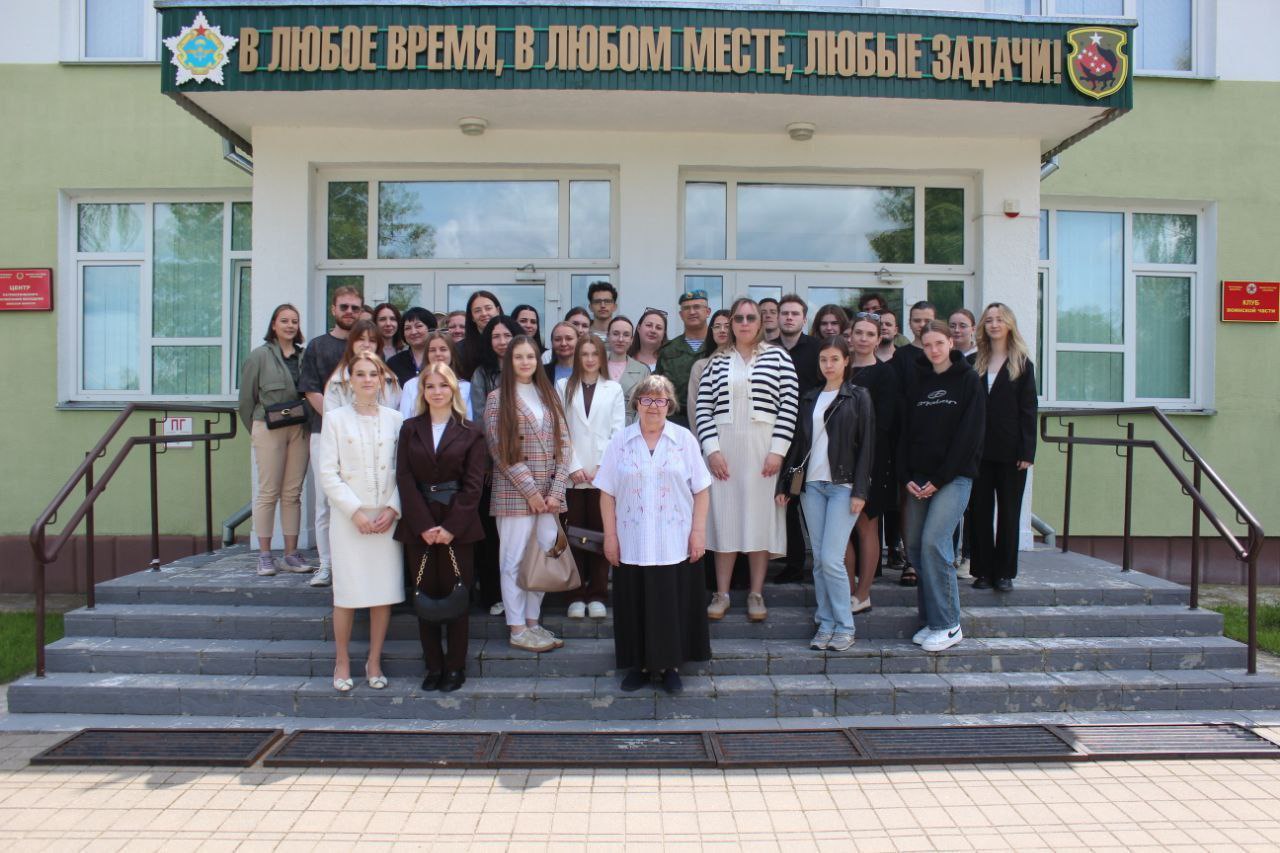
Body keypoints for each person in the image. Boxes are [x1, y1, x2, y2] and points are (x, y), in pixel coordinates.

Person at [597, 374, 712, 695]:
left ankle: (671, 667)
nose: (653, 406)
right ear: (636, 404)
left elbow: (702, 489)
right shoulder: (620, 441)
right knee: (635, 604)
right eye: (646, 399)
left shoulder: (684, 439)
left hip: (674, 540)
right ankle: (639, 667)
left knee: (670, 605)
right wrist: (610, 536)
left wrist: (698, 532)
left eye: (660, 400)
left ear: (669, 405)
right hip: (631, 540)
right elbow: (606, 492)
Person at [697, 298, 799, 623]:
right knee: (724, 520)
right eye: (738, 318)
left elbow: (789, 405)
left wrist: (778, 450)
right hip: (724, 451)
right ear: (731, 323)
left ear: (760, 322)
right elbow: (703, 408)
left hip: (763, 450)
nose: (744, 323)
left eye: (750, 317)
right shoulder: (716, 361)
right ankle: (722, 593)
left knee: (759, 521)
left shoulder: (778, 357)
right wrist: (711, 450)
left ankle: (756, 593)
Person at [776, 336, 873, 652]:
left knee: (832, 558)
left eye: (834, 359)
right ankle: (826, 622)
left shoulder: (858, 396)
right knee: (819, 559)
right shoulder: (809, 397)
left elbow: (867, 446)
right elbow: (798, 444)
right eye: (823, 359)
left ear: (846, 361)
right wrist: (785, 486)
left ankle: (845, 626)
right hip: (812, 487)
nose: (828, 365)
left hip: (843, 486)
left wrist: (860, 490)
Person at [395, 362, 487, 694]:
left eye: (443, 385)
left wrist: (450, 527)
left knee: (456, 596)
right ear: (422, 391)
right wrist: (422, 524)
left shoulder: (471, 431)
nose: (436, 392)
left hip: (457, 523)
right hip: (418, 523)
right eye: (430, 386)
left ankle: (455, 666)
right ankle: (433, 665)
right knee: (425, 596)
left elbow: (474, 485)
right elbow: (404, 478)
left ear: (453, 390)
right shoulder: (410, 429)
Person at [316, 351, 405, 691]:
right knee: (347, 594)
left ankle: (374, 660)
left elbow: (404, 470)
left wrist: (393, 509)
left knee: (382, 592)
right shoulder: (335, 419)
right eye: (361, 374)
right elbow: (328, 472)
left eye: (374, 374)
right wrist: (354, 511)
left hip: (385, 518)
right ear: (350, 381)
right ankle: (341, 660)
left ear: (382, 380)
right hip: (349, 519)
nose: (368, 380)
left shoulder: (396, 419)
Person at [899, 320, 984, 653]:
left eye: (939, 343)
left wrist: (939, 479)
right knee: (916, 547)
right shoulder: (917, 380)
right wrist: (906, 474)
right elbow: (905, 431)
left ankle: (949, 625)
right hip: (918, 478)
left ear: (951, 342)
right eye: (927, 344)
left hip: (953, 477)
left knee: (935, 543)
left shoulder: (968, 380)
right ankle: (931, 621)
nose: (933, 350)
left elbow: (969, 436)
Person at [484, 336, 573, 653]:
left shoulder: (548, 395)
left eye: (530, 357)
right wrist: (532, 494)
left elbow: (565, 445)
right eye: (518, 357)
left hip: (550, 497)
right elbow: (502, 451)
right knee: (514, 561)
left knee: (544, 558)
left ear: (538, 361)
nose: (525, 362)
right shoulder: (498, 399)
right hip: (515, 495)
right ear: (509, 362)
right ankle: (517, 627)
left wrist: (556, 491)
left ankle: (533, 623)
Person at [238, 304, 313, 577]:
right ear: (274, 324)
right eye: (284, 321)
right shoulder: (259, 356)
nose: (290, 326)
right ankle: (265, 555)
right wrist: (257, 430)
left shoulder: (305, 356)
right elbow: (246, 401)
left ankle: (291, 554)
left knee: (292, 493)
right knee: (268, 492)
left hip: (299, 428)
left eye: (294, 321)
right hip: (268, 427)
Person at [970, 303, 1038, 593]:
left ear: (1009, 324)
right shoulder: (974, 361)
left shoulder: (1022, 363)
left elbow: (1029, 410)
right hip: (978, 451)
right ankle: (983, 571)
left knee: (1009, 513)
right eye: (989, 320)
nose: (994, 324)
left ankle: (1005, 573)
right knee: (979, 512)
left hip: (1012, 452)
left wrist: (1027, 451)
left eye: (999, 319)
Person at [557, 335, 626, 619]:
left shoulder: (613, 389)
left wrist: (600, 466)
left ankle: (597, 594)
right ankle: (575, 594)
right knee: (572, 534)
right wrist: (572, 465)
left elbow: (618, 432)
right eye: (584, 354)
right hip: (572, 475)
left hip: (602, 475)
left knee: (600, 534)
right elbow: (560, 429)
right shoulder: (563, 386)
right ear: (577, 357)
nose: (589, 359)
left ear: (602, 358)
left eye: (594, 354)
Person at [298, 285, 361, 588]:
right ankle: (326, 565)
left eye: (355, 307)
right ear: (333, 309)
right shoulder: (317, 346)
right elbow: (311, 390)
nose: (349, 312)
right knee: (325, 501)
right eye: (344, 306)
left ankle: (353, 563)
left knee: (358, 497)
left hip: (363, 436)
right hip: (323, 431)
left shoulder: (366, 346)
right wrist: (340, 423)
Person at [846, 314, 900, 614]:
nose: (864, 339)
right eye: (859, 333)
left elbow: (885, 422)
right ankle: (847, 590)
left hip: (871, 460)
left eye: (870, 334)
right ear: (850, 336)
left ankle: (863, 592)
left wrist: (861, 452)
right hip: (837, 462)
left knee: (867, 525)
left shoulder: (885, 374)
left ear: (879, 340)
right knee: (840, 530)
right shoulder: (840, 367)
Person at [772, 294, 820, 583]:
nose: (789, 317)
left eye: (794, 314)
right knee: (785, 500)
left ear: (804, 319)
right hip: (777, 434)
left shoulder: (817, 349)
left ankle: (822, 564)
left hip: (813, 436)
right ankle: (794, 562)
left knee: (812, 500)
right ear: (777, 318)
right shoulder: (767, 350)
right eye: (784, 313)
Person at [656, 289, 711, 429]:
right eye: (686, 308)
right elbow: (658, 388)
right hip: (676, 421)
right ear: (681, 315)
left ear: (708, 312)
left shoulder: (718, 346)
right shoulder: (668, 350)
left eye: (697, 307)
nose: (692, 312)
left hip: (712, 419)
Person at [324, 319, 402, 413]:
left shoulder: (390, 380)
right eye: (361, 339)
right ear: (352, 342)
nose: (366, 345)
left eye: (372, 340)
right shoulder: (336, 382)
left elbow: (398, 417)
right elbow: (331, 419)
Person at [400, 331, 473, 422]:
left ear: (452, 353)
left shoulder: (466, 387)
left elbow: (468, 421)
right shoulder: (411, 385)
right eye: (432, 350)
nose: (438, 354)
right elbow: (404, 421)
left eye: (443, 349)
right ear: (427, 354)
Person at [469, 315, 520, 424]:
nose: (502, 342)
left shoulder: (526, 368)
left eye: (507, 335)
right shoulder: (480, 373)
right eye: (496, 336)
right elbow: (480, 416)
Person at [605, 315, 651, 424]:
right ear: (608, 336)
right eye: (615, 334)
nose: (620, 339)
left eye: (626, 335)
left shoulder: (643, 370)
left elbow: (645, 406)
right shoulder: (595, 364)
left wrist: (634, 431)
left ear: (631, 339)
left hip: (629, 427)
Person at [686, 309, 731, 417]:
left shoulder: (745, 362)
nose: (722, 330)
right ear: (711, 331)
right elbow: (693, 407)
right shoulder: (700, 366)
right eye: (717, 326)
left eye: (727, 326)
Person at [385, 307, 436, 386]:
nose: (413, 332)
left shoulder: (440, 357)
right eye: (407, 328)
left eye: (418, 326)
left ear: (431, 328)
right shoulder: (394, 363)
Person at [461, 290, 503, 378]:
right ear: (472, 317)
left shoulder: (511, 342)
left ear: (498, 310)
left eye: (488, 308)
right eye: (477, 311)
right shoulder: (460, 349)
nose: (484, 313)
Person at [629, 308, 668, 373]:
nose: (653, 330)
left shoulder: (671, 361)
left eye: (658, 328)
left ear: (664, 333)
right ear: (639, 328)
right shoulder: (625, 357)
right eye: (649, 325)